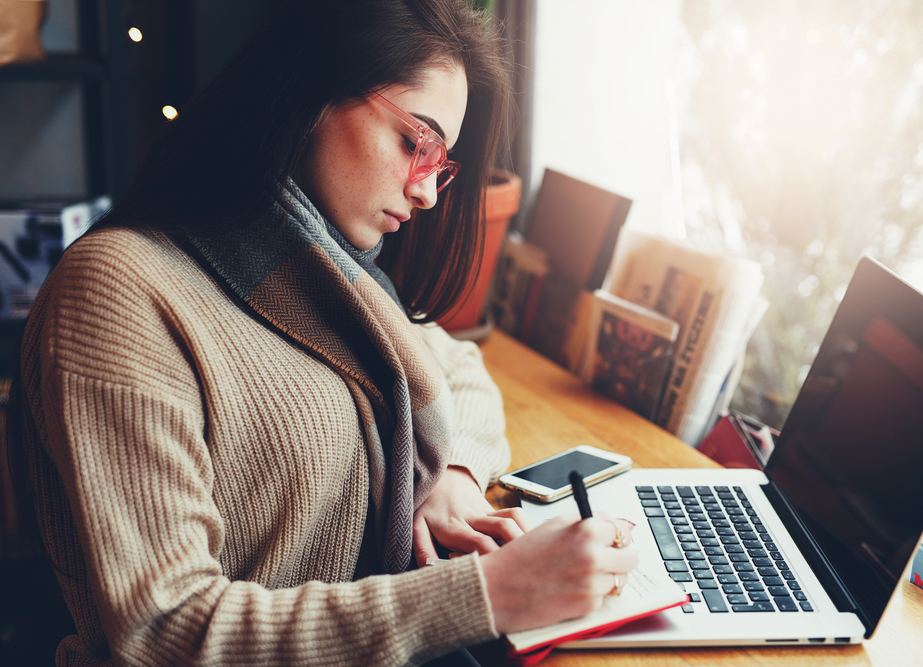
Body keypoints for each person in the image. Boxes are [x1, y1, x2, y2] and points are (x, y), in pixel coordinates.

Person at [6, 1, 638, 665]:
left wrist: (452, 475)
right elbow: (167, 631)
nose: (427, 193)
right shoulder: (118, 290)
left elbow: (458, 369)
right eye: (413, 142)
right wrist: (487, 591)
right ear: (312, 92)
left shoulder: (326, 275)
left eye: (440, 163)